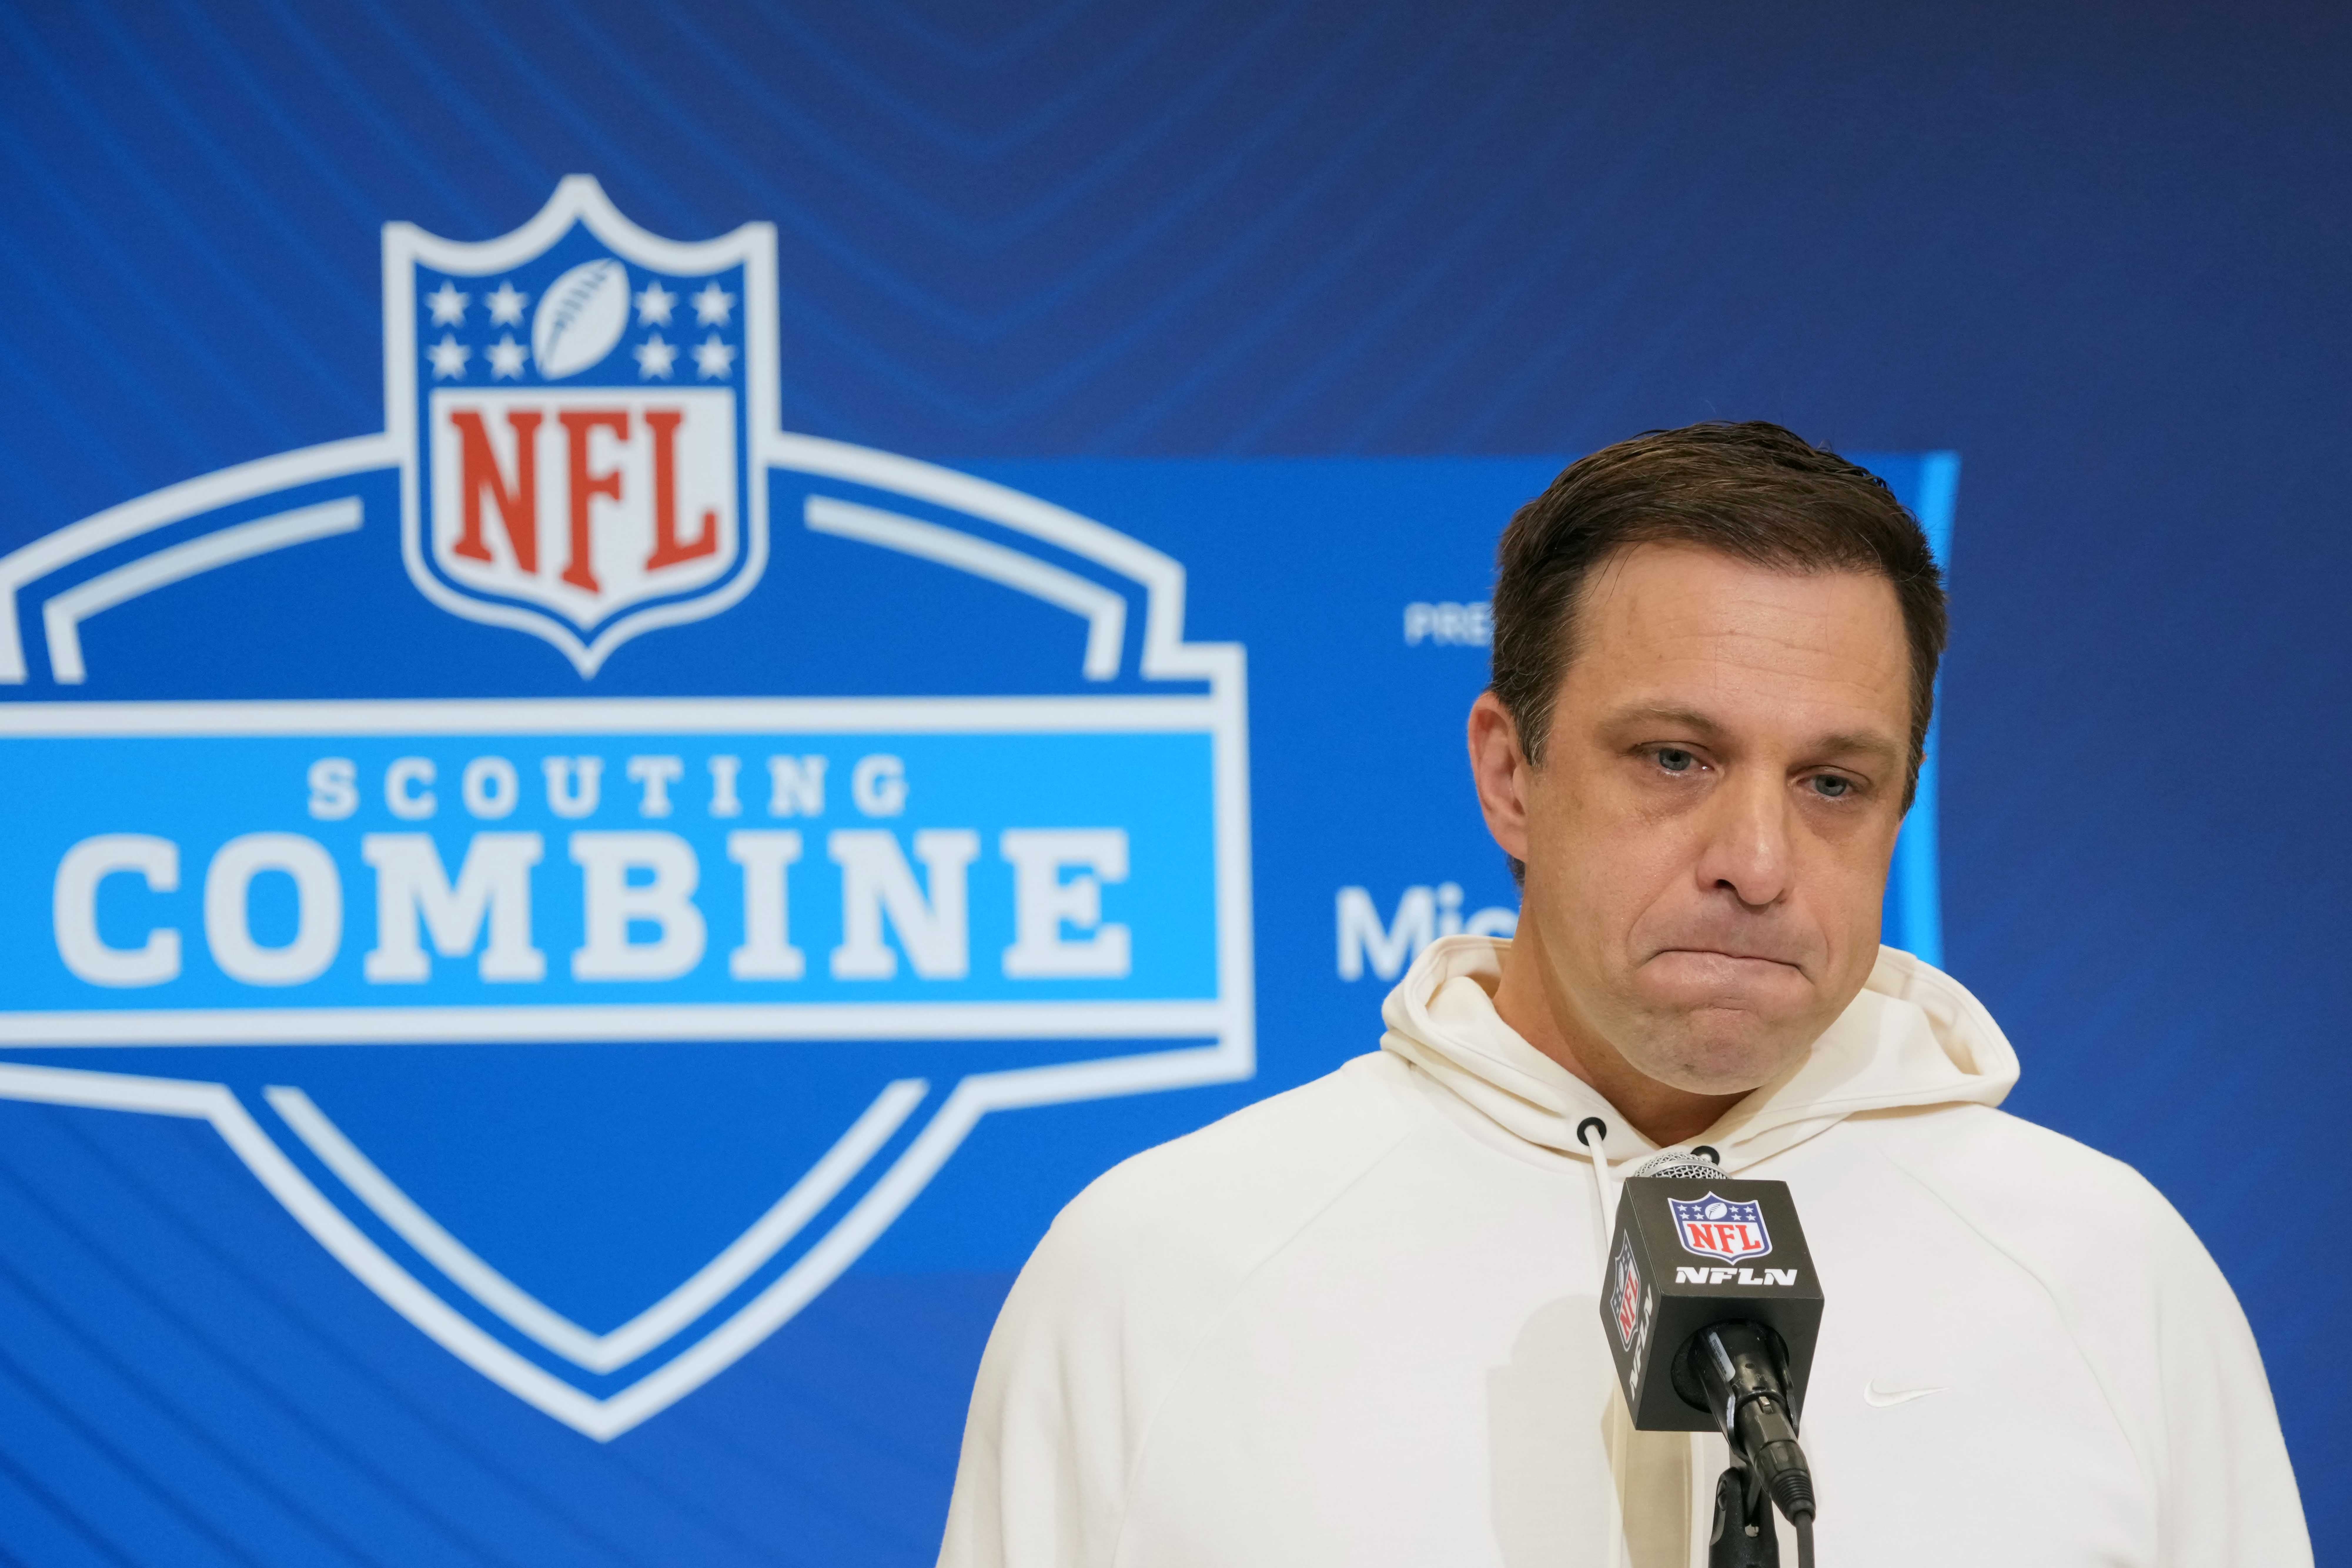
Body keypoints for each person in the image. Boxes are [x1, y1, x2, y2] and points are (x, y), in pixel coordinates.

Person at [935, 423, 2310, 1567]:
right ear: (1508, 772)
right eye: (1674, 757)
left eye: (1833, 781)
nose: (1758, 862)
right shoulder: (1161, 1276)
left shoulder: (2111, 1276)